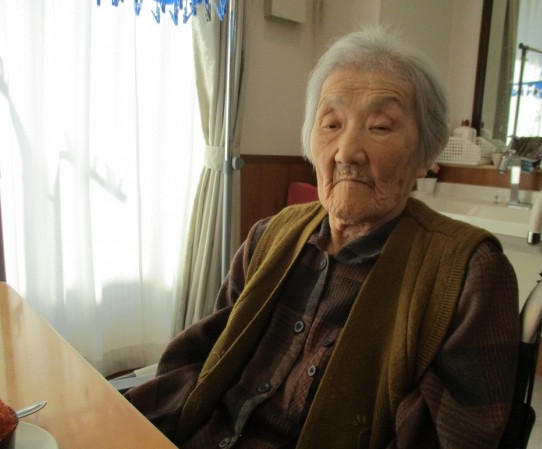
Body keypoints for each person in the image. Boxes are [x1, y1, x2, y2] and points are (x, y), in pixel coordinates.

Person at [125, 26, 520, 449]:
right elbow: (204, 358)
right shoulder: (269, 236)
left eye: (380, 127)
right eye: (331, 124)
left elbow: (456, 437)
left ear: (427, 152)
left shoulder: (468, 274)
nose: (346, 152)